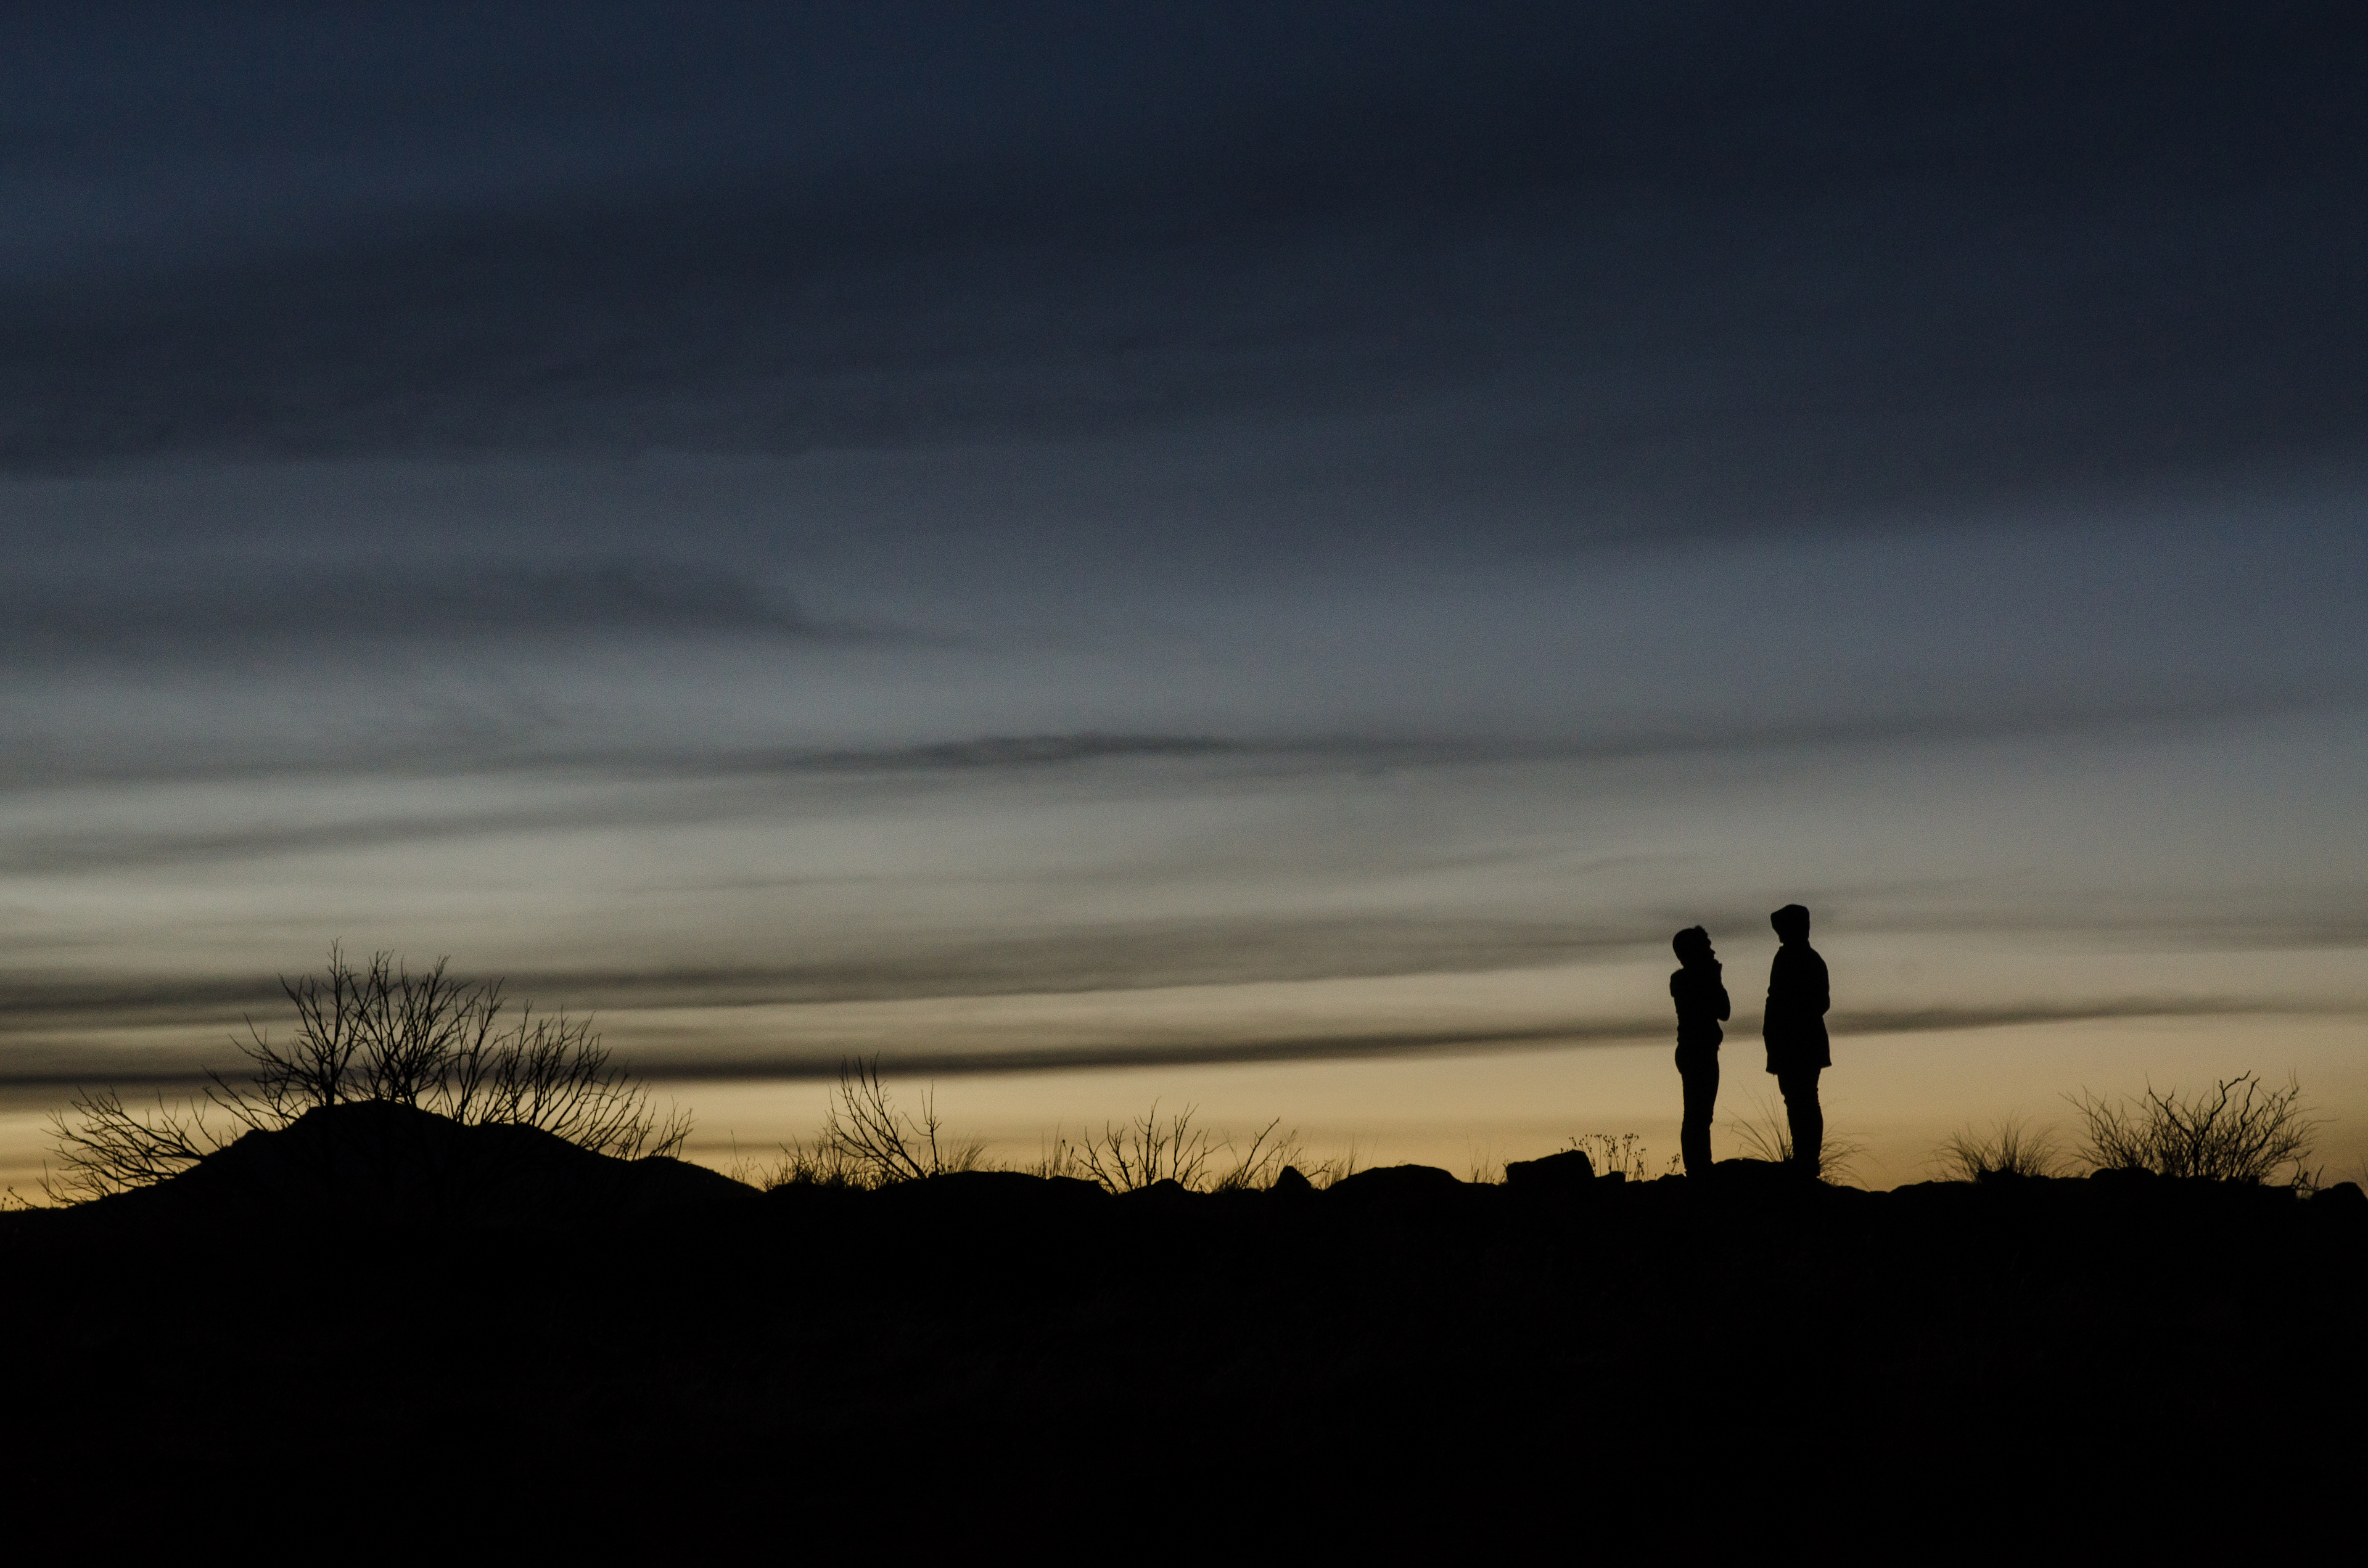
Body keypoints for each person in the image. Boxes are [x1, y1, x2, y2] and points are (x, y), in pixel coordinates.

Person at [1762, 903, 1830, 1176]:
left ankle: (1806, 1159)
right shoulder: (1803, 958)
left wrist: (1789, 1022)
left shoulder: (1799, 959)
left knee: (1803, 1100)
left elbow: (1818, 1002)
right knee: (1800, 1099)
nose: (1779, 934)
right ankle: (1805, 1158)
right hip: (1795, 1041)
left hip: (1797, 1041)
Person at [1669, 926, 1730, 1178]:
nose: (1712, 951)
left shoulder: (1684, 979)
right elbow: (1723, 1010)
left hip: (1696, 1050)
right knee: (1698, 1114)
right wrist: (1715, 978)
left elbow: (1722, 1011)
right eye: (1706, 946)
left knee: (1698, 1113)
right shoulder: (1689, 980)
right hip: (1698, 1052)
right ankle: (1699, 1168)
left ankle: (1699, 1166)